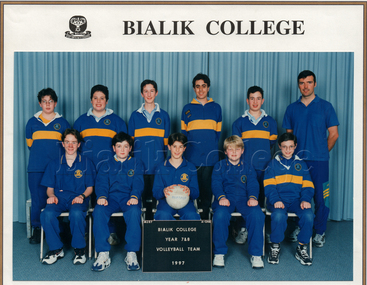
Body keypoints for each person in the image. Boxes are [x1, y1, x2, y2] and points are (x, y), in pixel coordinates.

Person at [282, 70, 339, 247]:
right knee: (296, 195)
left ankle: (320, 231)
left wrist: (321, 151)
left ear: (315, 84)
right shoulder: (291, 109)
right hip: (297, 162)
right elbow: (288, 138)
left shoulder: (326, 106)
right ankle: (299, 227)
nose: (305, 86)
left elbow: (334, 134)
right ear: (298, 85)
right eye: (301, 82)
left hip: (320, 161)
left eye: (309, 82)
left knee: (323, 197)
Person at [74, 84, 127, 245]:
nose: (98, 101)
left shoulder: (117, 121)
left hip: (109, 171)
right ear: (91, 100)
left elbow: (124, 148)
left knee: (106, 201)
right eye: (95, 98)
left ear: (107, 100)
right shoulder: (81, 121)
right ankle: (83, 233)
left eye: (102, 98)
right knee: (83, 200)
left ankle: (111, 232)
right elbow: (73, 147)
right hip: (86, 171)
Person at [40, 129, 95, 265]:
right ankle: (56, 249)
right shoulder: (54, 163)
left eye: (74, 142)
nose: (70, 145)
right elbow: (49, 189)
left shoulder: (86, 162)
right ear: (63, 144)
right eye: (67, 142)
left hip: (77, 198)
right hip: (58, 199)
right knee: (47, 214)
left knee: (76, 213)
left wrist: (82, 196)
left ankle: (79, 249)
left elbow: (90, 188)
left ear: (79, 144)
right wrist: (51, 196)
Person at [92, 132, 144, 272]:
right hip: (111, 198)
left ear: (130, 148)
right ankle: (103, 253)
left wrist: (134, 196)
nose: (122, 149)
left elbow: (138, 182)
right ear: (113, 148)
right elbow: (102, 182)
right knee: (99, 211)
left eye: (125, 146)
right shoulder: (106, 164)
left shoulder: (136, 163)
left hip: (128, 198)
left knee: (134, 212)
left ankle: (131, 253)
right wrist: (102, 196)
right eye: (119, 146)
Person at [232, 85, 277, 244]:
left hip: (265, 168)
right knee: (245, 198)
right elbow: (235, 147)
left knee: (265, 198)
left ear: (262, 100)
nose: (255, 101)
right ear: (247, 100)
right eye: (252, 98)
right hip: (244, 169)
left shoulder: (270, 122)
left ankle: (264, 229)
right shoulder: (239, 123)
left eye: (258, 98)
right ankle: (243, 228)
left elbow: (271, 144)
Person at [211, 135, 265, 268]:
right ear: (225, 151)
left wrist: (252, 197)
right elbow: (216, 184)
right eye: (230, 149)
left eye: (237, 149)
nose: (234, 152)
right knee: (220, 215)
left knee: (257, 214)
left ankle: (256, 254)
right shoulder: (219, 166)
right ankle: (219, 253)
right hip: (225, 199)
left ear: (242, 151)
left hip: (244, 199)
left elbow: (253, 184)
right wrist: (221, 197)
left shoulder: (248, 167)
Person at [26, 88, 70, 244]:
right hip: (36, 168)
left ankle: (61, 228)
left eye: (50, 101)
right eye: (44, 101)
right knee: (38, 199)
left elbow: (68, 146)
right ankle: (38, 228)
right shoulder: (32, 122)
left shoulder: (63, 123)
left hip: (57, 169)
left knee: (58, 197)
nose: (47, 104)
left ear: (55, 103)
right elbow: (30, 145)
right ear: (40, 103)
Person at [264, 133, 314, 266]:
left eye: (291, 146)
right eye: (284, 147)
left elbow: (308, 186)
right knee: (279, 215)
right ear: (279, 146)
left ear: (295, 146)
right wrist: (275, 200)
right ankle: (275, 246)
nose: (288, 150)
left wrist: (305, 199)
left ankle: (302, 247)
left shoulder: (302, 165)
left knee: (308, 215)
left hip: (296, 200)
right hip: (278, 200)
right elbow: (269, 187)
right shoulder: (272, 164)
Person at [181, 73, 222, 219]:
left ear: (208, 87)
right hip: (192, 158)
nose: (200, 90)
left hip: (210, 159)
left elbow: (217, 135)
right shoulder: (187, 109)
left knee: (207, 194)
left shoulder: (217, 108)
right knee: (191, 193)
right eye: (197, 86)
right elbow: (184, 136)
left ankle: (206, 225)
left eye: (203, 86)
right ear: (194, 89)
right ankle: (193, 225)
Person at [128, 79, 170, 219]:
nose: (149, 94)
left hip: (157, 167)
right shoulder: (134, 116)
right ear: (141, 94)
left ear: (156, 93)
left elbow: (166, 145)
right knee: (141, 202)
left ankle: (154, 234)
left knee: (156, 202)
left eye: (152, 91)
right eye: (146, 91)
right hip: (139, 166)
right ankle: (142, 234)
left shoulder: (164, 116)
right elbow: (130, 146)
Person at [152, 133, 200, 220]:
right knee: (163, 215)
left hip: (186, 203)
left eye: (180, 147)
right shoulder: (161, 167)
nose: (177, 150)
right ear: (169, 147)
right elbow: (155, 192)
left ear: (184, 148)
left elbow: (196, 192)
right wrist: (164, 191)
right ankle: (171, 234)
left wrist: (190, 191)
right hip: (165, 203)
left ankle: (183, 234)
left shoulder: (190, 167)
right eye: (174, 146)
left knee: (192, 216)